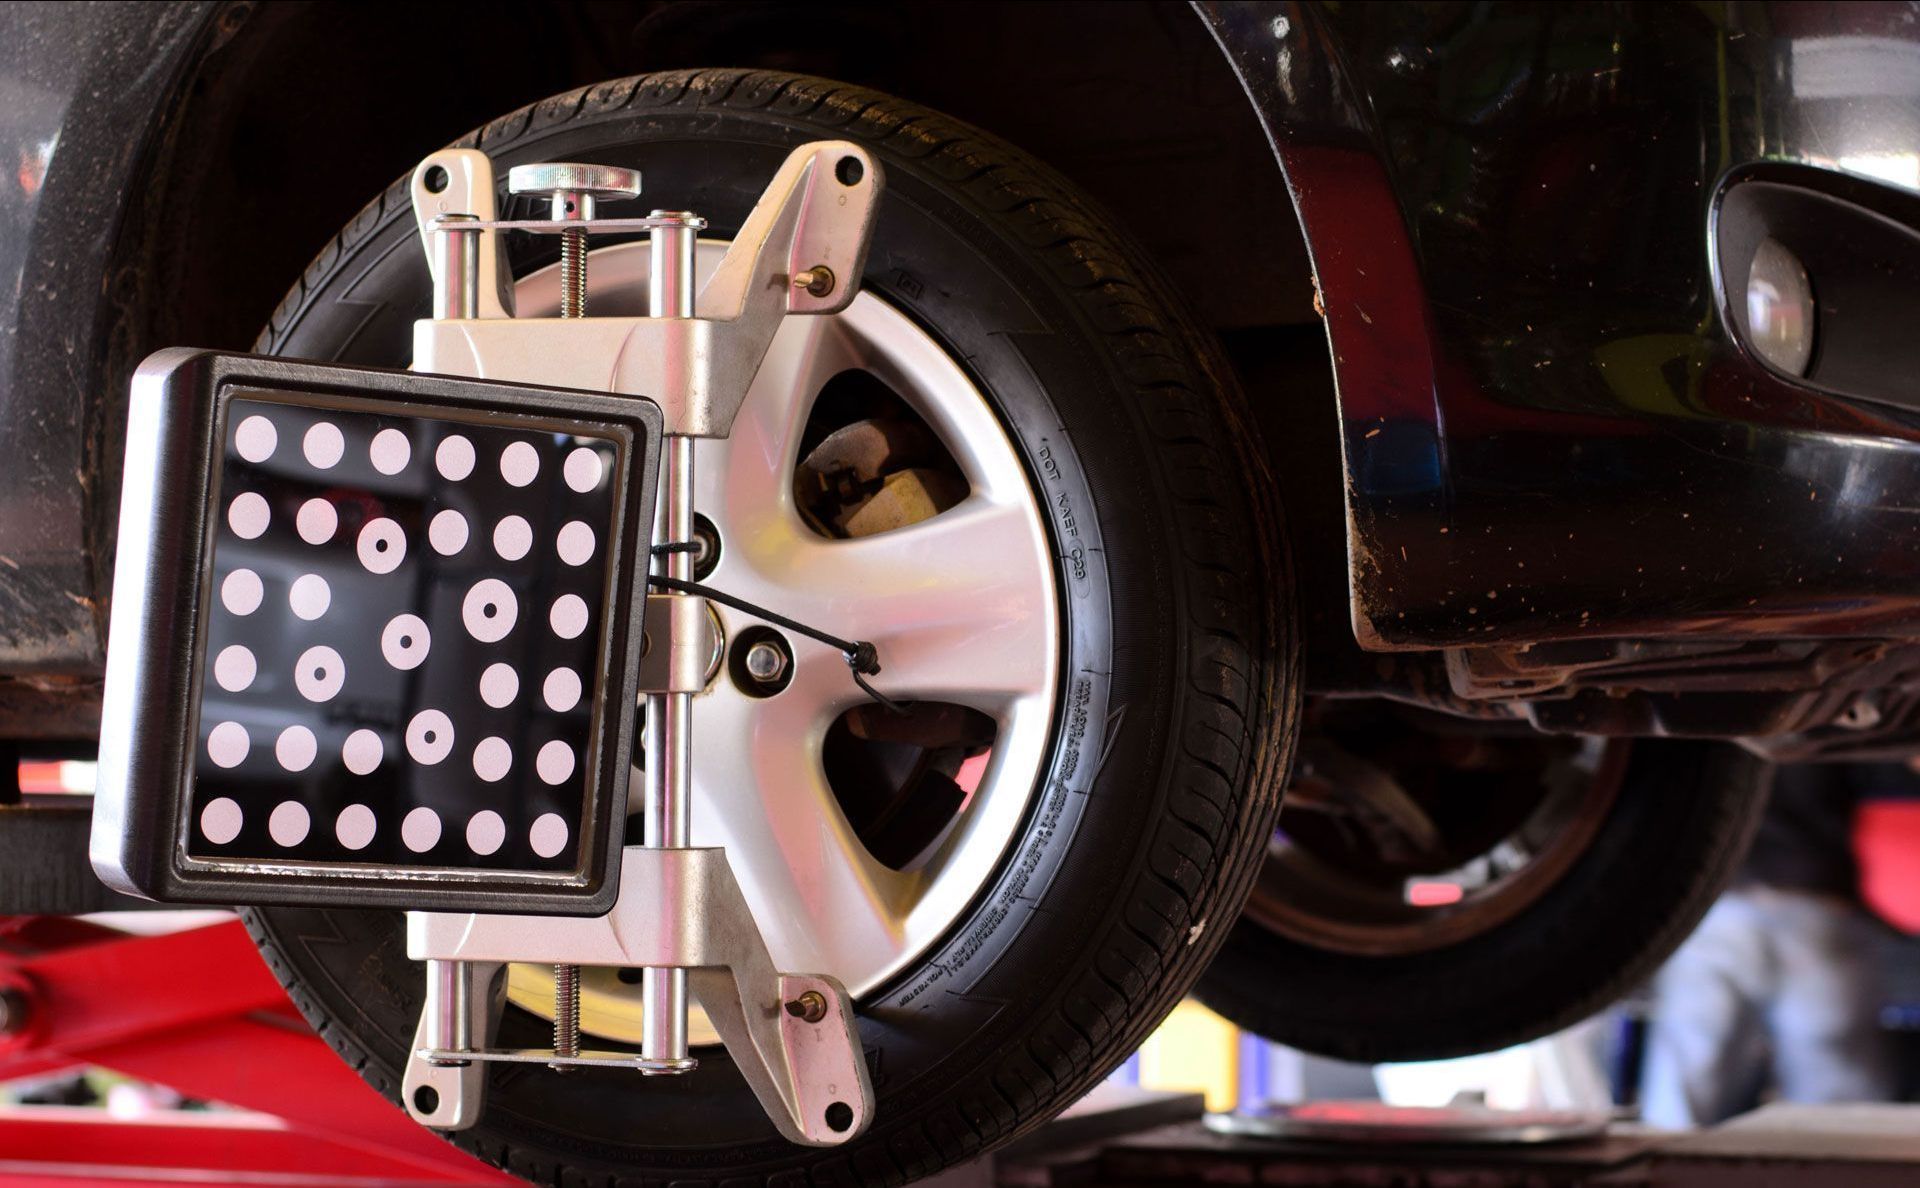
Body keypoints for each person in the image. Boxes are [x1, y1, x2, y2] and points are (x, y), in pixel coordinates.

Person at [1639, 762, 1898, 1128]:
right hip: (1814, 902)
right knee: (1839, 1104)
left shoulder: (1689, 714)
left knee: (1685, 1089)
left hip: (1717, 905)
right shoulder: (1835, 711)